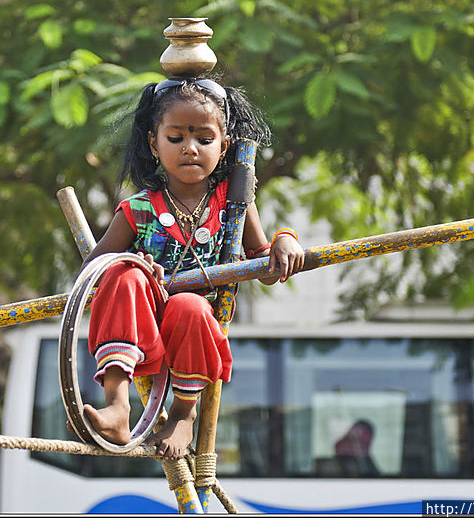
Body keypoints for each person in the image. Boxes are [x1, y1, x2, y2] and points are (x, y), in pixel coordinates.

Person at [79, 77, 305, 460]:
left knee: (189, 304)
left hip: (196, 330)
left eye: (204, 138)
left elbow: (265, 266)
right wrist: (134, 265)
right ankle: (117, 406)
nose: (190, 148)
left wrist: (285, 240)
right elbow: (92, 272)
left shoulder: (234, 204)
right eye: (176, 138)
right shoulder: (138, 209)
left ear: (224, 146)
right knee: (122, 274)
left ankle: (184, 413)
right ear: (154, 143)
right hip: (144, 333)